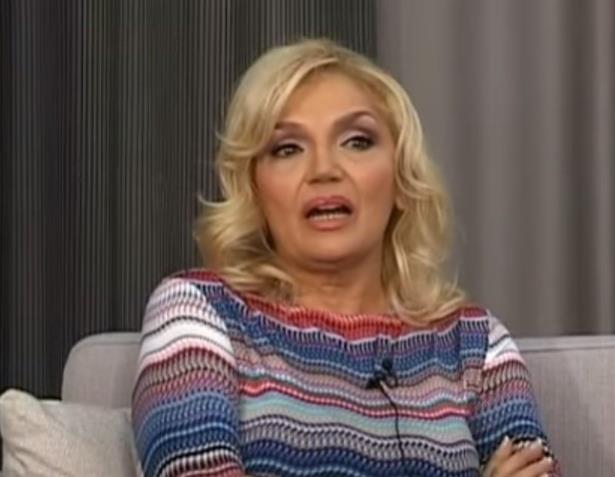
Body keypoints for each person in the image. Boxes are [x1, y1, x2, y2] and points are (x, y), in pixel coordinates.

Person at [131, 38, 560, 477]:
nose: (324, 170)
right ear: (254, 189)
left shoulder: (474, 343)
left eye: (357, 141)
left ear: (401, 180)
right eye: (287, 149)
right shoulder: (199, 311)